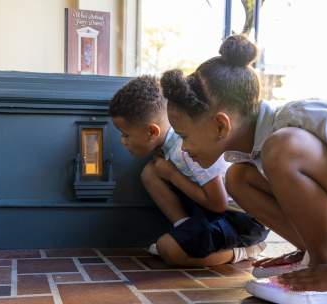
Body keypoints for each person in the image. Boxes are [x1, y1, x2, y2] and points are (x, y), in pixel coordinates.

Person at [160, 34, 327, 303]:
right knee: (239, 177)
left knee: (283, 148)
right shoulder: (252, 156)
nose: (184, 149)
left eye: (184, 136)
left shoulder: (301, 117)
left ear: (221, 126)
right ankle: (316, 257)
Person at [109, 75, 268, 267]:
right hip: (214, 211)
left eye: (126, 135)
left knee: (169, 250)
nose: (122, 141)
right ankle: (186, 230)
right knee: (150, 173)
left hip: (243, 220)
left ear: (152, 132)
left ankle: (246, 250)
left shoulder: (187, 149)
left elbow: (218, 203)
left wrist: (172, 175)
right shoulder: (170, 146)